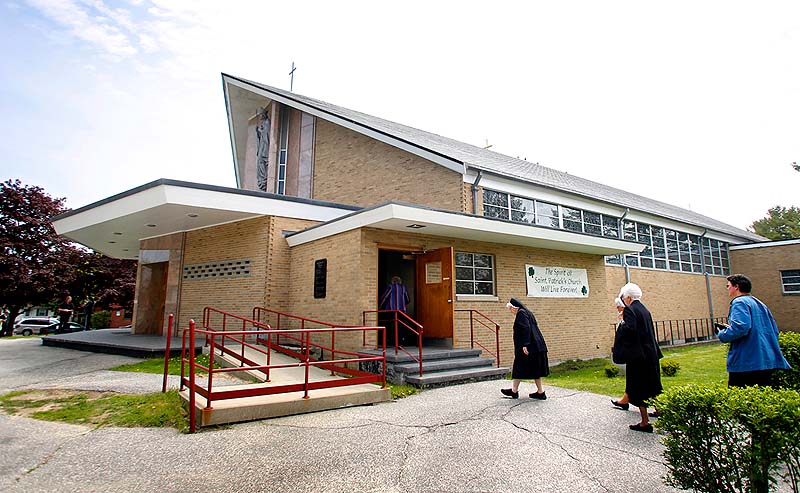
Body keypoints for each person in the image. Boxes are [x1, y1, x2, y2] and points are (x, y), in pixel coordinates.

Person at [717, 274, 791, 387]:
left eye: (728, 286)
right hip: (765, 360)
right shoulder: (759, 303)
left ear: (736, 286)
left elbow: (741, 328)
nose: (728, 289)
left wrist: (722, 334)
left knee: (739, 398)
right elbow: (772, 329)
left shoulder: (739, 302)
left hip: (747, 361)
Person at [616, 283, 662, 433]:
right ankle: (659, 410)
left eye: (623, 297)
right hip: (651, 353)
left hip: (638, 356)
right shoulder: (644, 309)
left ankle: (644, 422)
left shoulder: (630, 310)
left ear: (628, 297)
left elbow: (630, 330)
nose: (623, 300)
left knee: (639, 386)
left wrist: (622, 323)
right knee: (652, 384)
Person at [501, 298, 549, 400]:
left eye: (510, 309)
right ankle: (539, 392)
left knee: (519, 366)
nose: (510, 311)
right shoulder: (528, 313)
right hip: (537, 346)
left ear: (515, 308)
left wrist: (525, 344)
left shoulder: (521, 313)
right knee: (531, 368)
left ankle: (515, 391)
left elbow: (525, 328)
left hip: (528, 347)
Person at [379, 276, 411, 345]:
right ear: (400, 281)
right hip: (401, 311)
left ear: (392, 281)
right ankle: (400, 343)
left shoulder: (390, 287)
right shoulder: (403, 287)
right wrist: (402, 304)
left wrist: (380, 307)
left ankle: (388, 341)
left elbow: (384, 297)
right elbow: (408, 299)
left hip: (391, 310)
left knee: (388, 325)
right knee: (400, 326)